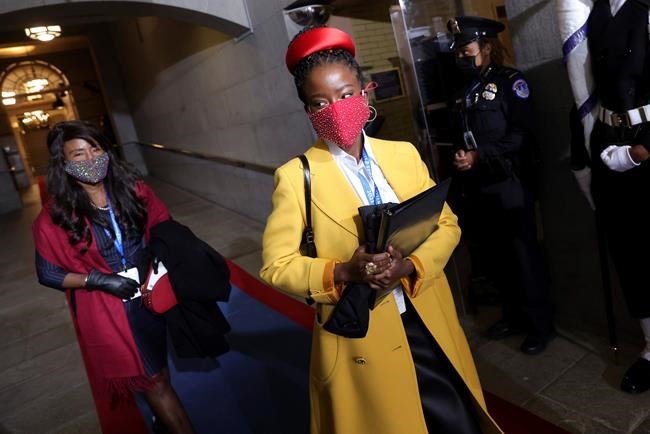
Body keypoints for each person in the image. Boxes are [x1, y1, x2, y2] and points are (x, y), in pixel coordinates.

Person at [260, 26, 501, 434]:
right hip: (361, 337)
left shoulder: (403, 154)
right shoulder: (295, 177)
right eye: (320, 102)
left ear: (365, 92)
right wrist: (342, 272)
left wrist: (410, 265)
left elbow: (446, 224)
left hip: (426, 316)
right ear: (308, 112)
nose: (335, 108)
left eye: (346, 94)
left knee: (458, 422)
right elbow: (276, 266)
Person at [32, 121, 194, 434]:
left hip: (152, 297)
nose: (91, 158)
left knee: (158, 368)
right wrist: (98, 280)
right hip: (113, 310)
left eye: (95, 148)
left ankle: (161, 418)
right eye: (78, 154)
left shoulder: (133, 190)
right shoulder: (55, 217)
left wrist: (160, 253)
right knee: (156, 382)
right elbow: (48, 273)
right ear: (64, 164)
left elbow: (163, 224)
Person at [447, 16, 555, 355]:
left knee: (524, 255)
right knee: (498, 256)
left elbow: (522, 135)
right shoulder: (467, 89)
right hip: (480, 187)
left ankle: (540, 326)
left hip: (510, 183)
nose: (461, 57)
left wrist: (480, 156)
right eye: (460, 51)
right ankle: (514, 315)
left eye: (467, 50)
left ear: (487, 47)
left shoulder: (512, 82)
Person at [585, 0, 650, 393]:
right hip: (608, 143)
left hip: (644, 144)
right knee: (630, 255)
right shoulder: (590, 13)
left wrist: (642, 150)